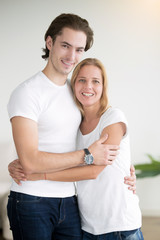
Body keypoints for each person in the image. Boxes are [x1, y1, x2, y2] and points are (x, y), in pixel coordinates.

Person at [7, 13, 136, 240]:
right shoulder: (27, 92)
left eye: (79, 49)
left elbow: (94, 138)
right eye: (65, 46)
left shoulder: (76, 92)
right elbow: (30, 161)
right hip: (31, 200)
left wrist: (124, 167)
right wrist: (87, 155)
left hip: (71, 202)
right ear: (50, 43)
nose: (71, 56)